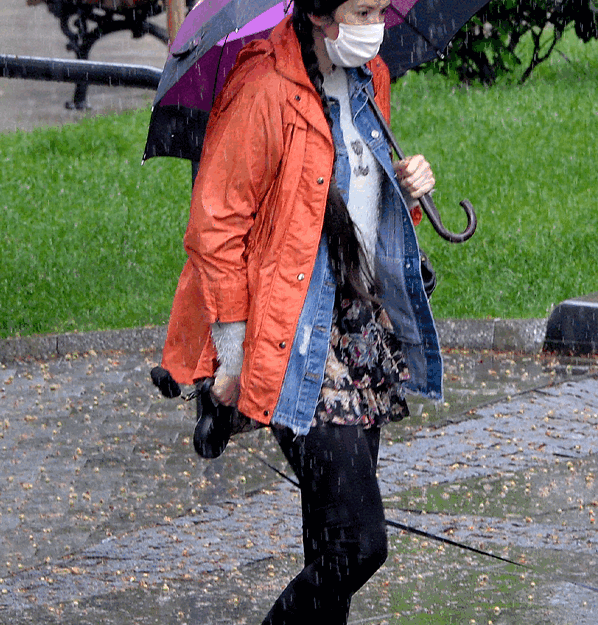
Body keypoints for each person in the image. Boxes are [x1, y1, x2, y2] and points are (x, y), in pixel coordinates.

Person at [157, 0, 443, 622]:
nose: (375, 24)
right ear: (318, 14)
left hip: (361, 328)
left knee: (330, 539)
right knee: (358, 544)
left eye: (379, 8)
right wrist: (233, 358)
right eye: (360, 9)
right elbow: (215, 230)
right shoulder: (261, 90)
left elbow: (352, 208)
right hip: (288, 332)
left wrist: (407, 189)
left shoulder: (373, 82)